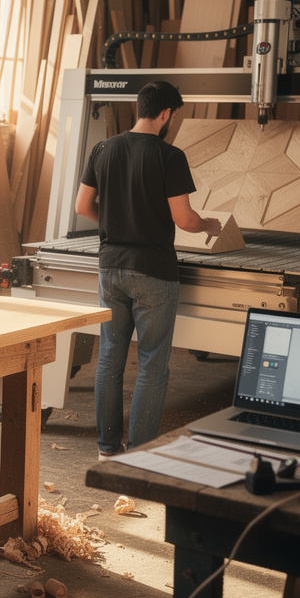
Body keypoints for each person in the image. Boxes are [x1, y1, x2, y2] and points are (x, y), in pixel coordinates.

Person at [73, 81, 220, 460]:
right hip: (153, 271)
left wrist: (115, 222)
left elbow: (82, 206)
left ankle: (107, 450)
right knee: (153, 364)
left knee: (109, 359)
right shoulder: (169, 156)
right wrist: (210, 226)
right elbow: (184, 219)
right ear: (166, 114)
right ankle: (138, 455)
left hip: (110, 268)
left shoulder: (103, 148)